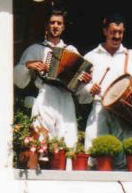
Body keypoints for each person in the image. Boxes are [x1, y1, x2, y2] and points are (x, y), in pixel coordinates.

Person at [13, 9, 90, 149]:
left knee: (68, 141)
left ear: (63, 27)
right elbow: (18, 80)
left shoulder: (71, 50)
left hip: (65, 98)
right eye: (52, 22)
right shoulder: (36, 49)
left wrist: (84, 80)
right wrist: (28, 66)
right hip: (45, 96)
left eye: (59, 23)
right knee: (42, 140)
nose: (55, 26)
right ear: (46, 26)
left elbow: (79, 87)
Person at [82, 13, 132, 165]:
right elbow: (79, 91)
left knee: (123, 161)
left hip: (124, 115)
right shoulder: (90, 57)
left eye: (120, 32)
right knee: (95, 159)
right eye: (113, 32)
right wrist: (90, 89)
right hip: (99, 113)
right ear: (105, 31)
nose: (117, 36)